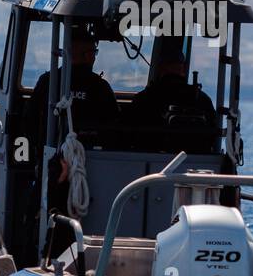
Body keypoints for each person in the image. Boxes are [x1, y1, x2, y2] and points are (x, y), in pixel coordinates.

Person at [28, 25, 119, 212]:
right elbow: (116, 129)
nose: (95, 57)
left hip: (51, 164)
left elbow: (28, 121)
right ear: (86, 55)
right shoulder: (100, 88)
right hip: (96, 169)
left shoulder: (48, 82)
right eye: (94, 52)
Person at [128, 45, 218, 153]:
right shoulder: (202, 100)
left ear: (160, 68)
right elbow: (213, 135)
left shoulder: (143, 99)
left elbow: (127, 135)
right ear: (183, 69)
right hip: (194, 163)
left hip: (143, 160)